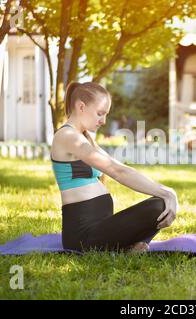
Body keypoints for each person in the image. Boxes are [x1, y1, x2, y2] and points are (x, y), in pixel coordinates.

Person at [50, 82, 178, 254]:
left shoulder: (85, 138)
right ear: (81, 106)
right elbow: (117, 172)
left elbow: (119, 166)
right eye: (100, 114)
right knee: (160, 204)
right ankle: (125, 247)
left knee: (161, 203)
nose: (103, 121)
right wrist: (167, 193)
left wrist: (165, 190)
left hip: (100, 228)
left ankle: (125, 247)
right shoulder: (67, 136)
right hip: (82, 237)